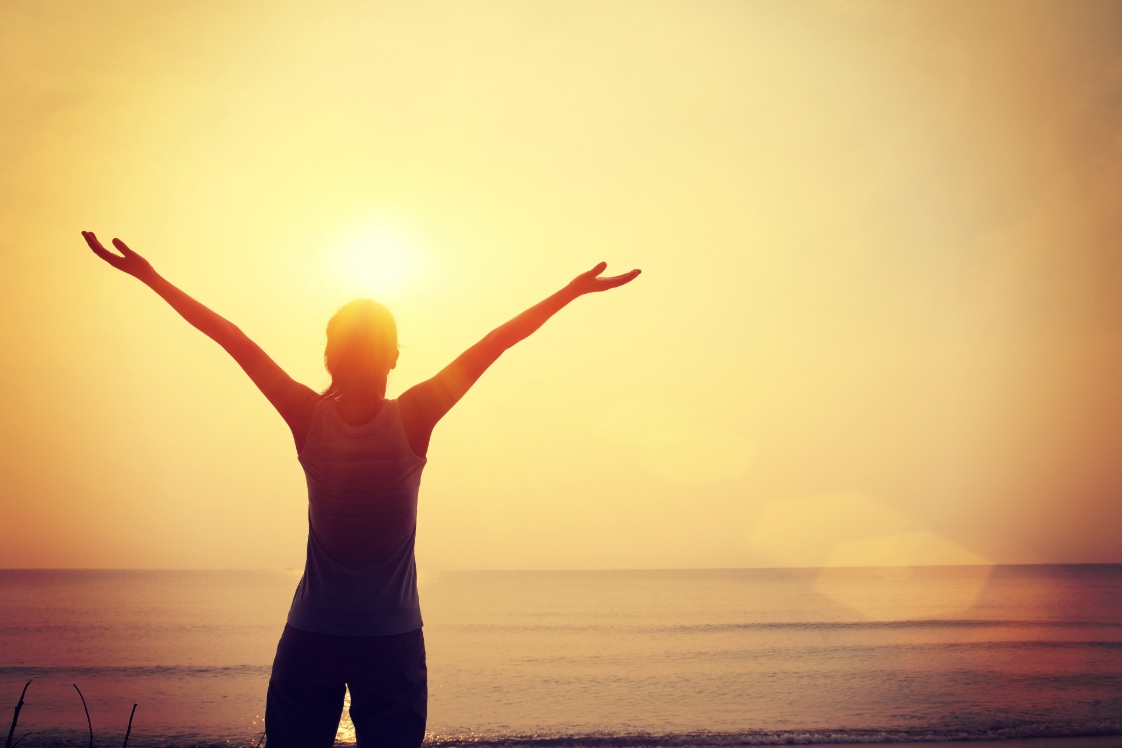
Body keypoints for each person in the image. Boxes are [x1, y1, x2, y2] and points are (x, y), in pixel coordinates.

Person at [81, 230, 640, 748]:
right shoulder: (413, 417)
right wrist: (569, 292)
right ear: (394, 356)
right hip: (391, 640)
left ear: (330, 356)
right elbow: (495, 344)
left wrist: (151, 278)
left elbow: (234, 340)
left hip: (312, 634)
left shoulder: (308, 417)